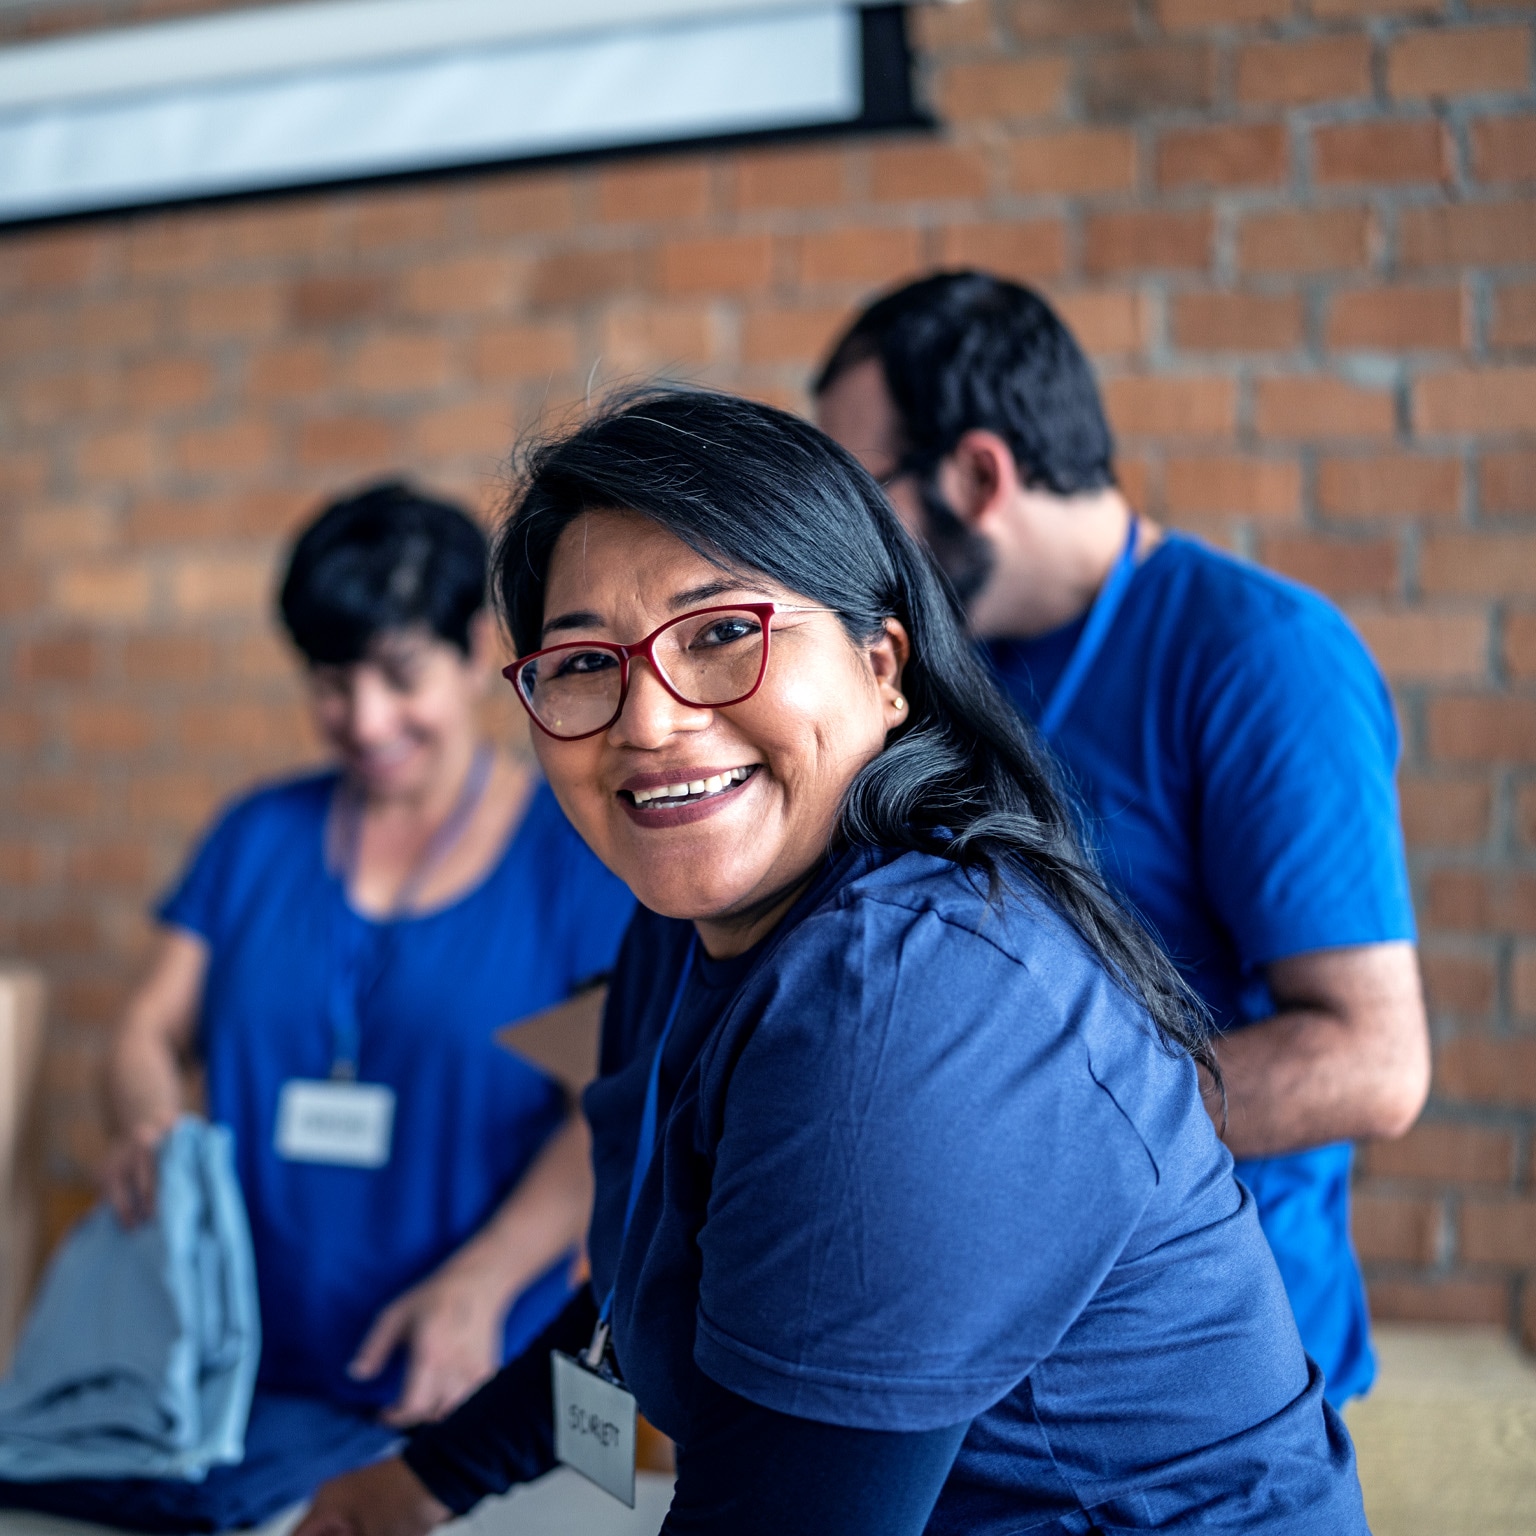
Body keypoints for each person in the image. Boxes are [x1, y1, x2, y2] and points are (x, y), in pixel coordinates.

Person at [295, 389, 1368, 1536]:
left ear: (883, 666)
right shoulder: (682, 930)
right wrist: (429, 1479)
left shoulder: (914, 996)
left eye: (721, 635)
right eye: (581, 663)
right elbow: (668, 1300)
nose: (648, 721)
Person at [813, 270, 1430, 1406]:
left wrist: (1003, 1136)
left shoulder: (1261, 656)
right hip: (988, 1347)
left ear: (979, 474)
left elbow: (1372, 1063)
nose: (855, 551)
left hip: (1211, 1379)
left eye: (869, 497)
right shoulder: (945, 664)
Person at [14, 483, 636, 1529]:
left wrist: (482, 1283)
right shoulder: (257, 834)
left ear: (475, 646)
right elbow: (145, 1030)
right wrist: (146, 1117)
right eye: (332, 683)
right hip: (234, 1373)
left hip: (457, 1387)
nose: (366, 719)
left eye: (399, 677)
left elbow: (610, 1106)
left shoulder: (568, 855)